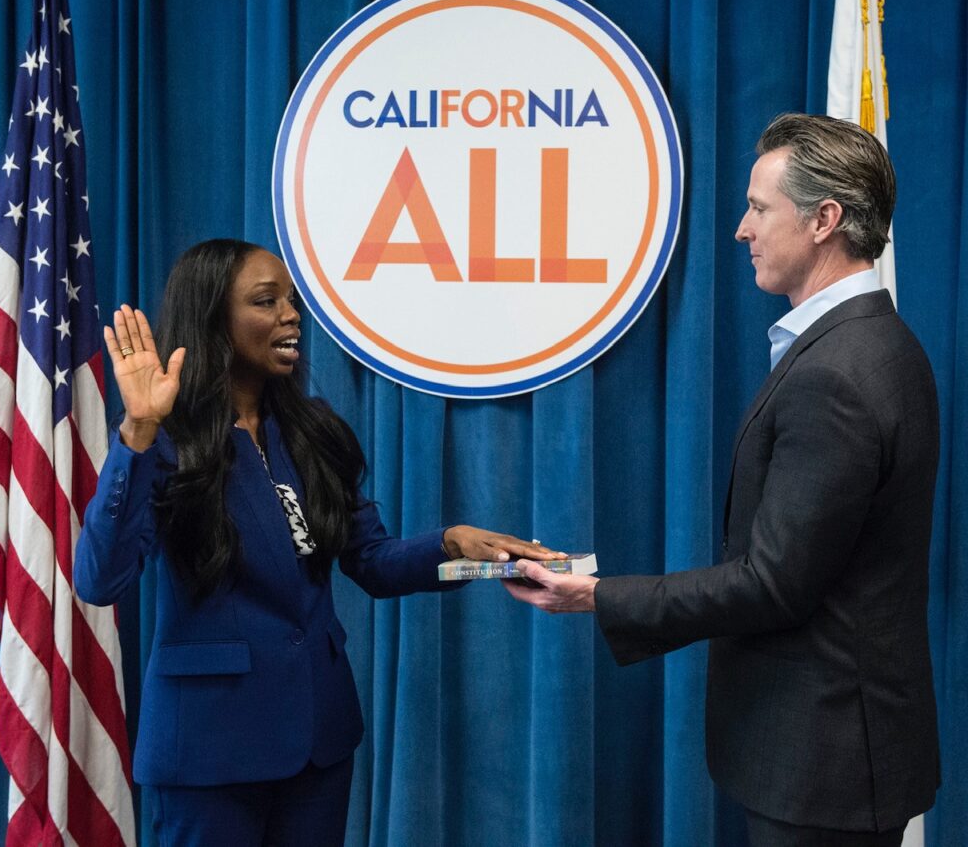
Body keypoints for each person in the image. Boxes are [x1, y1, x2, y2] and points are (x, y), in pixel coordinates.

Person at [504, 114, 940, 846]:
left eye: (759, 208)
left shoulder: (836, 372)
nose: (742, 230)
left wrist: (596, 596)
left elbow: (773, 584)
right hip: (834, 756)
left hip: (821, 769)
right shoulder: (878, 343)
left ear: (824, 220)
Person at [73, 238, 551, 847]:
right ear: (213, 316)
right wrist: (139, 430)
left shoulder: (312, 430)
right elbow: (100, 579)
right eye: (266, 302)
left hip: (319, 746)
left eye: (292, 302)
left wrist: (452, 545)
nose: (291, 316)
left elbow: (372, 562)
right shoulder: (164, 442)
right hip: (210, 753)